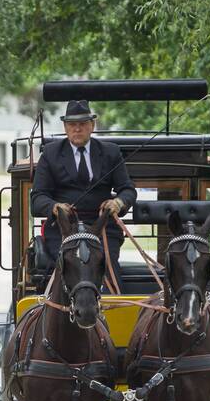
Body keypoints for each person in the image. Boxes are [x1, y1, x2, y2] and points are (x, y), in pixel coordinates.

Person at [30, 99, 137, 289]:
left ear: (92, 125)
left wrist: (118, 203)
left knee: (108, 267)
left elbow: (128, 190)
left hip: (102, 227)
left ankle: (114, 309)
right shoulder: (51, 153)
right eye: (72, 124)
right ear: (65, 127)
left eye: (82, 124)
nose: (77, 129)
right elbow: (38, 197)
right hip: (64, 228)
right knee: (68, 266)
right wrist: (55, 207)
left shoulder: (110, 152)